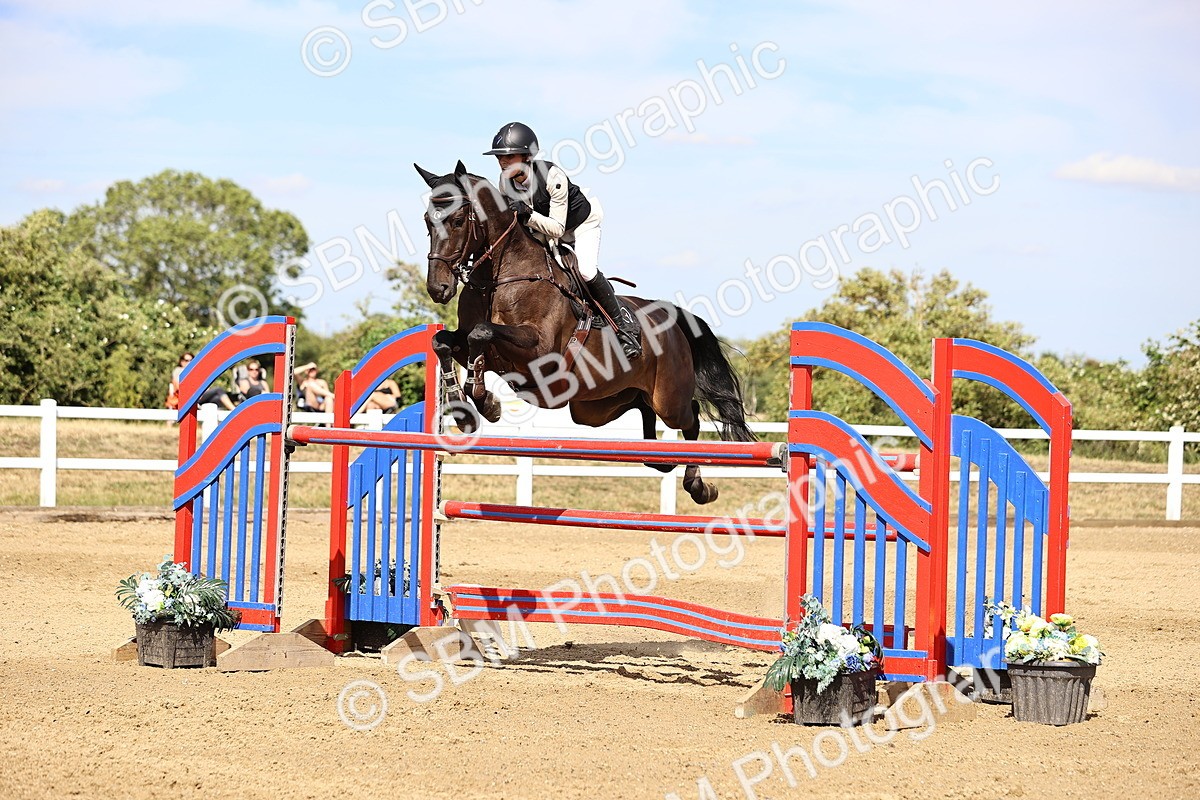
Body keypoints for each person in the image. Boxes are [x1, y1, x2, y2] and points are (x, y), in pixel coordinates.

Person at [484, 121, 642, 360]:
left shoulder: (552, 176)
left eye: (509, 156)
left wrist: (526, 214)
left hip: (580, 225)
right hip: (543, 229)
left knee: (586, 271)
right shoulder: (505, 182)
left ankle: (624, 329)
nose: (503, 162)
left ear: (527, 156)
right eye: (500, 158)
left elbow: (557, 229)